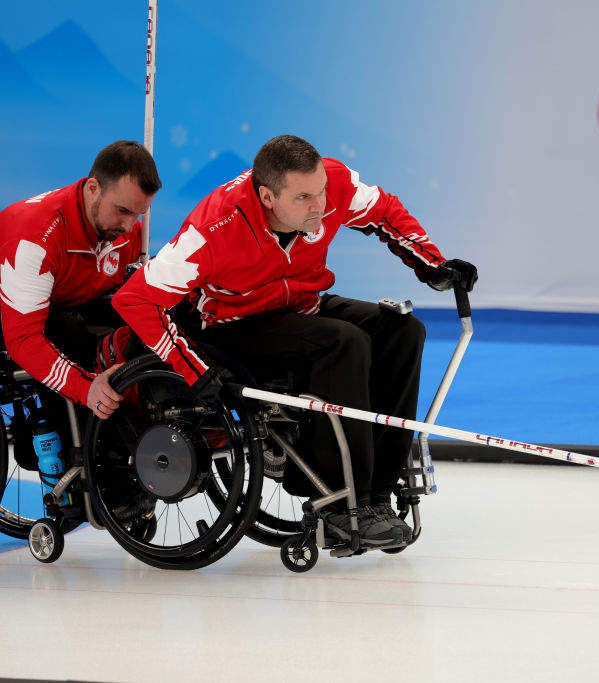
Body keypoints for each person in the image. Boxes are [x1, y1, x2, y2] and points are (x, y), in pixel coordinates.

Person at [113, 134, 477, 549]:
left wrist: (432, 263)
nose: (320, 205)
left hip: (301, 306)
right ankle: (341, 505)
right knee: (343, 342)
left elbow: (385, 212)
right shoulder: (214, 227)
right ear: (267, 196)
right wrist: (191, 367)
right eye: (304, 197)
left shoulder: (333, 183)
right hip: (233, 325)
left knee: (404, 329)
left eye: (320, 191)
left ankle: (375, 495)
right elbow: (136, 299)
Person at [0, 141, 161, 424]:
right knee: (67, 332)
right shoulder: (34, 238)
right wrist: (86, 388)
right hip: (15, 317)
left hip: (70, 301)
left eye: (139, 213)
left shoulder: (127, 231)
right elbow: (23, 338)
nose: (128, 225)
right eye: (123, 210)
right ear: (93, 189)